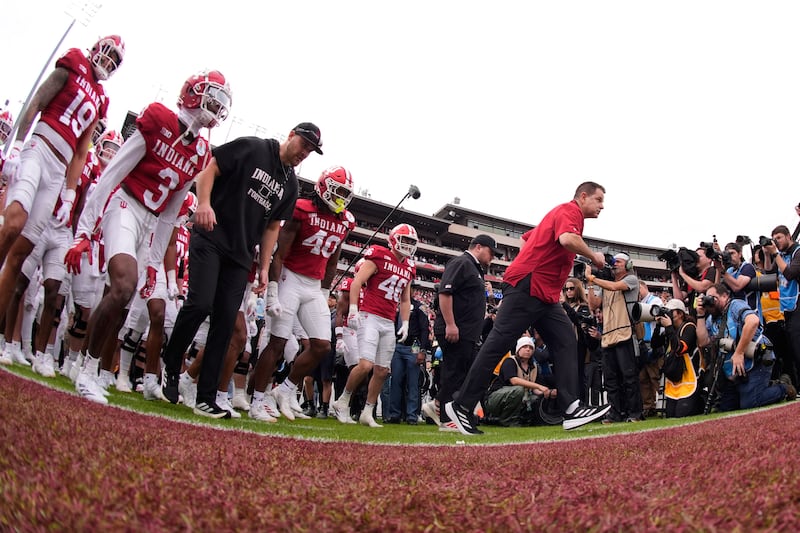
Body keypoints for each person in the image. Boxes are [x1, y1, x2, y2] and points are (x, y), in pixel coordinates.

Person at [64, 70, 232, 406]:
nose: (215, 107)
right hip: (126, 205)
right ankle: (86, 369)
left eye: (220, 103)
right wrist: (84, 231)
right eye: (212, 98)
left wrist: (154, 262)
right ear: (193, 92)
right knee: (123, 285)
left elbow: (170, 213)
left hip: (151, 222)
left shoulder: (201, 151)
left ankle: (90, 366)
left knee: (123, 298)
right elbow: (114, 172)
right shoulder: (158, 118)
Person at [161, 121, 321, 418]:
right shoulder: (254, 148)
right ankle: (171, 363)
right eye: (304, 144)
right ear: (291, 135)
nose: (304, 152)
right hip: (211, 235)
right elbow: (210, 168)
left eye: (310, 150)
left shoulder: (291, 184)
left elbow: (272, 227)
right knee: (200, 304)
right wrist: (204, 203)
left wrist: (264, 268)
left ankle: (206, 397)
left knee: (225, 324)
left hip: (241, 254)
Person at [444, 182, 611, 435]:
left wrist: (534, 258)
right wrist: (593, 256)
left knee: (566, 339)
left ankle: (570, 407)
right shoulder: (570, 211)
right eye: (598, 200)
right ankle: (461, 406)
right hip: (529, 287)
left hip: (544, 293)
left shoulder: (562, 216)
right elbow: (567, 239)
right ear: (583, 196)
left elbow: (527, 239)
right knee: (497, 345)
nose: (602, 206)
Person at [0, 36, 124, 342]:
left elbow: (82, 151)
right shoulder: (73, 62)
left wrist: (69, 194)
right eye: (107, 54)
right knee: (13, 223)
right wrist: (17, 145)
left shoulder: (101, 99)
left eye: (115, 61)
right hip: (40, 147)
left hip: (59, 169)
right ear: (96, 48)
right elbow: (37, 102)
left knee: (20, 253)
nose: (108, 63)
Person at [248, 165, 355, 422]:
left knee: (321, 346)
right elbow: (279, 254)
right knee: (278, 342)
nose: (340, 197)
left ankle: (284, 390)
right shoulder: (301, 210)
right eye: (337, 191)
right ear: (323, 187)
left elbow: (332, 261)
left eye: (345, 193)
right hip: (290, 277)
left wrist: (325, 291)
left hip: (314, 285)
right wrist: (273, 290)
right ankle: (257, 401)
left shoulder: (345, 221)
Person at [331, 223, 418, 428]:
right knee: (365, 365)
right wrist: (354, 308)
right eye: (404, 240)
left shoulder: (409, 267)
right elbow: (357, 282)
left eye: (411, 242)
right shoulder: (379, 254)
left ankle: (367, 412)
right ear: (394, 239)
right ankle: (342, 401)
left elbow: (405, 299)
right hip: (369, 316)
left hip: (388, 321)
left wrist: (405, 322)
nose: (407, 245)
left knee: (382, 371)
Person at [425, 234, 501, 431]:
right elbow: (445, 292)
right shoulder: (462, 262)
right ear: (478, 247)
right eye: (491, 252)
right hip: (456, 329)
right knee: (455, 373)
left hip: (467, 331)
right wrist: (450, 324)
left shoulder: (474, 268)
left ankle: (438, 405)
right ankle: (445, 417)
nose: (493, 257)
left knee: (462, 373)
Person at [696, 283, 794, 411]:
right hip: (734, 370)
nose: (710, 302)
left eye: (712, 298)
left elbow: (753, 321)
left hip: (756, 360)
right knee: (727, 408)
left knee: (751, 403)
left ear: (725, 296)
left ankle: (783, 387)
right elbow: (703, 342)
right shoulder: (712, 319)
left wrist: (739, 352)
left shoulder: (735, 305)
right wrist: (700, 315)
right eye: (707, 299)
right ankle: (758, 388)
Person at [586, 252, 643, 423]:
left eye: (618, 261)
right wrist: (590, 284)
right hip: (608, 336)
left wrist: (593, 277)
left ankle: (635, 413)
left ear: (628, 265)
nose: (614, 264)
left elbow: (615, 287)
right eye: (614, 262)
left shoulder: (631, 279)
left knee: (629, 376)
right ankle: (615, 413)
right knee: (610, 379)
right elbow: (593, 305)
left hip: (626, 333)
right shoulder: (606, 285)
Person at [484, 335, 556, 427]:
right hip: (494, 399)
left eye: (530, 348)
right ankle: (508, 421)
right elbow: (514, 380)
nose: (528, 349)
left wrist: (548, 392)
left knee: (535, 398)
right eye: (524, 347)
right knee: (518, 390)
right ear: (518, 349)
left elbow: (535, 390)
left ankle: (523, 419)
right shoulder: (510, 361)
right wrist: (539, 386)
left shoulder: (534, 367)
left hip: (519, 398)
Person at [384, 293, 431, 424]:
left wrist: (422, 350)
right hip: (398, 345)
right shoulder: (396, 305)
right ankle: (395, 414)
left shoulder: (418, 307)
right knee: (395, 381)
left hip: (413, 346)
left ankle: (412, 415)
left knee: (413, 383)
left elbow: (424, 329)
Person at [763, 225, 800, 390]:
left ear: (788, 236)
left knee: (798, 346)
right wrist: (767, 254)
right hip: (786, 308)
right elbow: (768, 274)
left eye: (779, 238)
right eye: (774, 239)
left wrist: (775, 254)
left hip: (798, 303)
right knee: (792, 349)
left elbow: (790, 274)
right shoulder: (781, 256)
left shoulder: (797, 252)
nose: (776, 242)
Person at [659, 298, 704, 418]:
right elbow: (655, 344)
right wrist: (659, 326)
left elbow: (679, 349)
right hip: (674, 380)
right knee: (670, 415)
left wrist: (669, 327)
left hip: (689, 378)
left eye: (671, 312)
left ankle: (700, 402)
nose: (668, 314)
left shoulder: (689, 327)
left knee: (681, 414)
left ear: (680, 314)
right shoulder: (670, 330)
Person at [636, 280, 664, 418]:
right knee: (643, 377)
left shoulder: (655, 301)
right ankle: (648, 406)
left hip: (654, 342)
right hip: (642, 344)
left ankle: (661, 403)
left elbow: (655, 316)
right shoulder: (636, 304)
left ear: (644, 287)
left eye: (638, 288)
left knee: (655, 376)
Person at [720, 241, 758, 310]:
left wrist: (723, 272)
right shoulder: (729, 271)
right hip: (735, 309)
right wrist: (718, 267)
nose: (730, 256)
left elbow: (737, 287)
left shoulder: (747, 267)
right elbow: (718, 288)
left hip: (749, 309)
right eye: (727, 254)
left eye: (732, 253)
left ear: (740, 254)